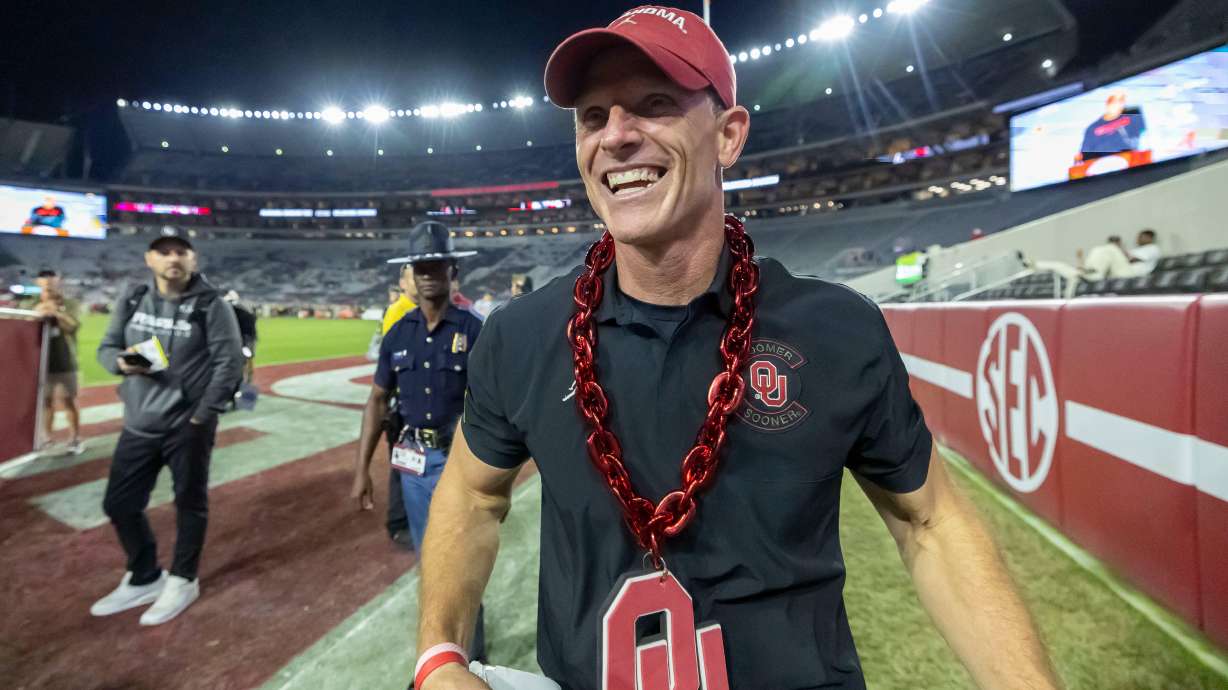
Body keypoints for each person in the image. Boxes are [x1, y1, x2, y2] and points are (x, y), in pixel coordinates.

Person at [414, 7, 1060, 690]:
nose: (617, 136)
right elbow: (471, 493)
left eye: (653, 105)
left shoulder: (835, 330)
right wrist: (439, 656)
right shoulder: (522, 335)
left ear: (728, 136)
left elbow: (929, 519)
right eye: (593, 116)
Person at [90, 230, 243, 626]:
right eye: (163, 253)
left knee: (189, 504)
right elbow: (106, 347)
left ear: (193, 260)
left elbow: (229, 364)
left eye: (181, 252)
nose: (172, 258)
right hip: (138, 422)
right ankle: (144, 575)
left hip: (185, 426)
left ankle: (183, 579)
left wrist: (201, 416)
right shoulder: (134, 297)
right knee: (119, 504)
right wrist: (121, 363)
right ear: (149, 260)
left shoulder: (211, 305)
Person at [350, 221, 486, 662]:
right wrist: (362, 472)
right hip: (411, 463)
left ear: (451, 272)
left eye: (437, 265)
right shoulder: (397, 333)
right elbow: (376, 400)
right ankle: (442, 657)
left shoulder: (474, 329)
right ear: (412, 271)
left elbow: (494, 402)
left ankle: (471, 658)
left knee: (458, 562)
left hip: (457, 460)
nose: (429, 273)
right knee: (429, 564)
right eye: (421, 266)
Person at [381, 266, 420, 548]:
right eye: (412, 275)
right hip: (402, 404)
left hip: (412, 402)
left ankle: (409, 519)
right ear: (402, 282)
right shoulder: (400, 310)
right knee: (402, 466)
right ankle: (398, 523)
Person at [24, 270, 84, 454]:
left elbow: (73, 326)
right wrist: (37, 312)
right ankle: (46, 438)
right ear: (37, 281)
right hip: (40, 363)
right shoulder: (30, 304)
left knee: (69, 401)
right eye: (44, 279)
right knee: (45, 403)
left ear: (58, 280)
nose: (48, 282)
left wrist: (56, 312)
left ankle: (74, 438)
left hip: (65, 360)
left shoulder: (69, 303)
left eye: (52, 278)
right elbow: (22, 327)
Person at [223, 290, 258, 385]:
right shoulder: (224, 313)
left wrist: (246, 344)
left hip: (247, 337)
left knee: (247, 357)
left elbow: (250, 332)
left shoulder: (244, 313)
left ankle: (247, 381)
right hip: (235, 338)